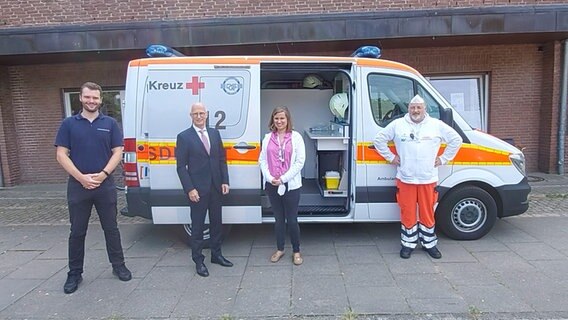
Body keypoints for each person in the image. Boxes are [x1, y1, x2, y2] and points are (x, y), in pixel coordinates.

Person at [55, 82, 131, 294]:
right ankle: (74, 273)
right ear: (80, 97)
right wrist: (81, 178)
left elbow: (118, 152)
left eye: (95, 98)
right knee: (77, 232)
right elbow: (61, 154)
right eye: (88, 97)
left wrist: (103, 174)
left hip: (104, 185)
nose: (91, 101)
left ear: (100, 100)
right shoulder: (69, 124)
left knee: (111, 229)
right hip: (78, 186)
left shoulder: (110, 123)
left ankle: (119, 266)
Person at [373, 94, 462, 259]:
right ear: (408, 109)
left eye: (418, 107)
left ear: (424, 109)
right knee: (407, 212)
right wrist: (391, 157)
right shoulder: (398, 124)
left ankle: (430, 244)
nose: (415, 110)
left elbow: (456, 140)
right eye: (413, 107)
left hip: (427, 178)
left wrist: (443, 159)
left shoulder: (436, 125)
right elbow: (379, 140)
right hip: (405, 178)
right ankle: (408, 244)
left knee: (427, 212)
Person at [175, 102, 232, 277]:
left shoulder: (214, 133)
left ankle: (216, 255)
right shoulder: (184, 137)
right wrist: (189, 189)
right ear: (190, 116)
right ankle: (198, 260)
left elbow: (221, 159)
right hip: (197, 190)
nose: (199, 116)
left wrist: (225, 181)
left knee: (217, 224)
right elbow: (180, 167)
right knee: (198, 227)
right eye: (195, 114)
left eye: (202, 113)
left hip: (216, 187)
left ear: (207, 114)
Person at [259, 106, 306, 265]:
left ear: (288, 120)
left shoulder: (296, 137)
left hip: (290, 185)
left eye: (282, 118)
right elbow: (262, 160)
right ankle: (280, 249)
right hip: (272, 184)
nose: (279, 121)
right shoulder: (267, 138)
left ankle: (296, 250)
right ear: (272, 120)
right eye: (276, 118)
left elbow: (300, 162)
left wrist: (283, 178)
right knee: (278, 219)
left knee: (292, 219)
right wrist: (270, 177)